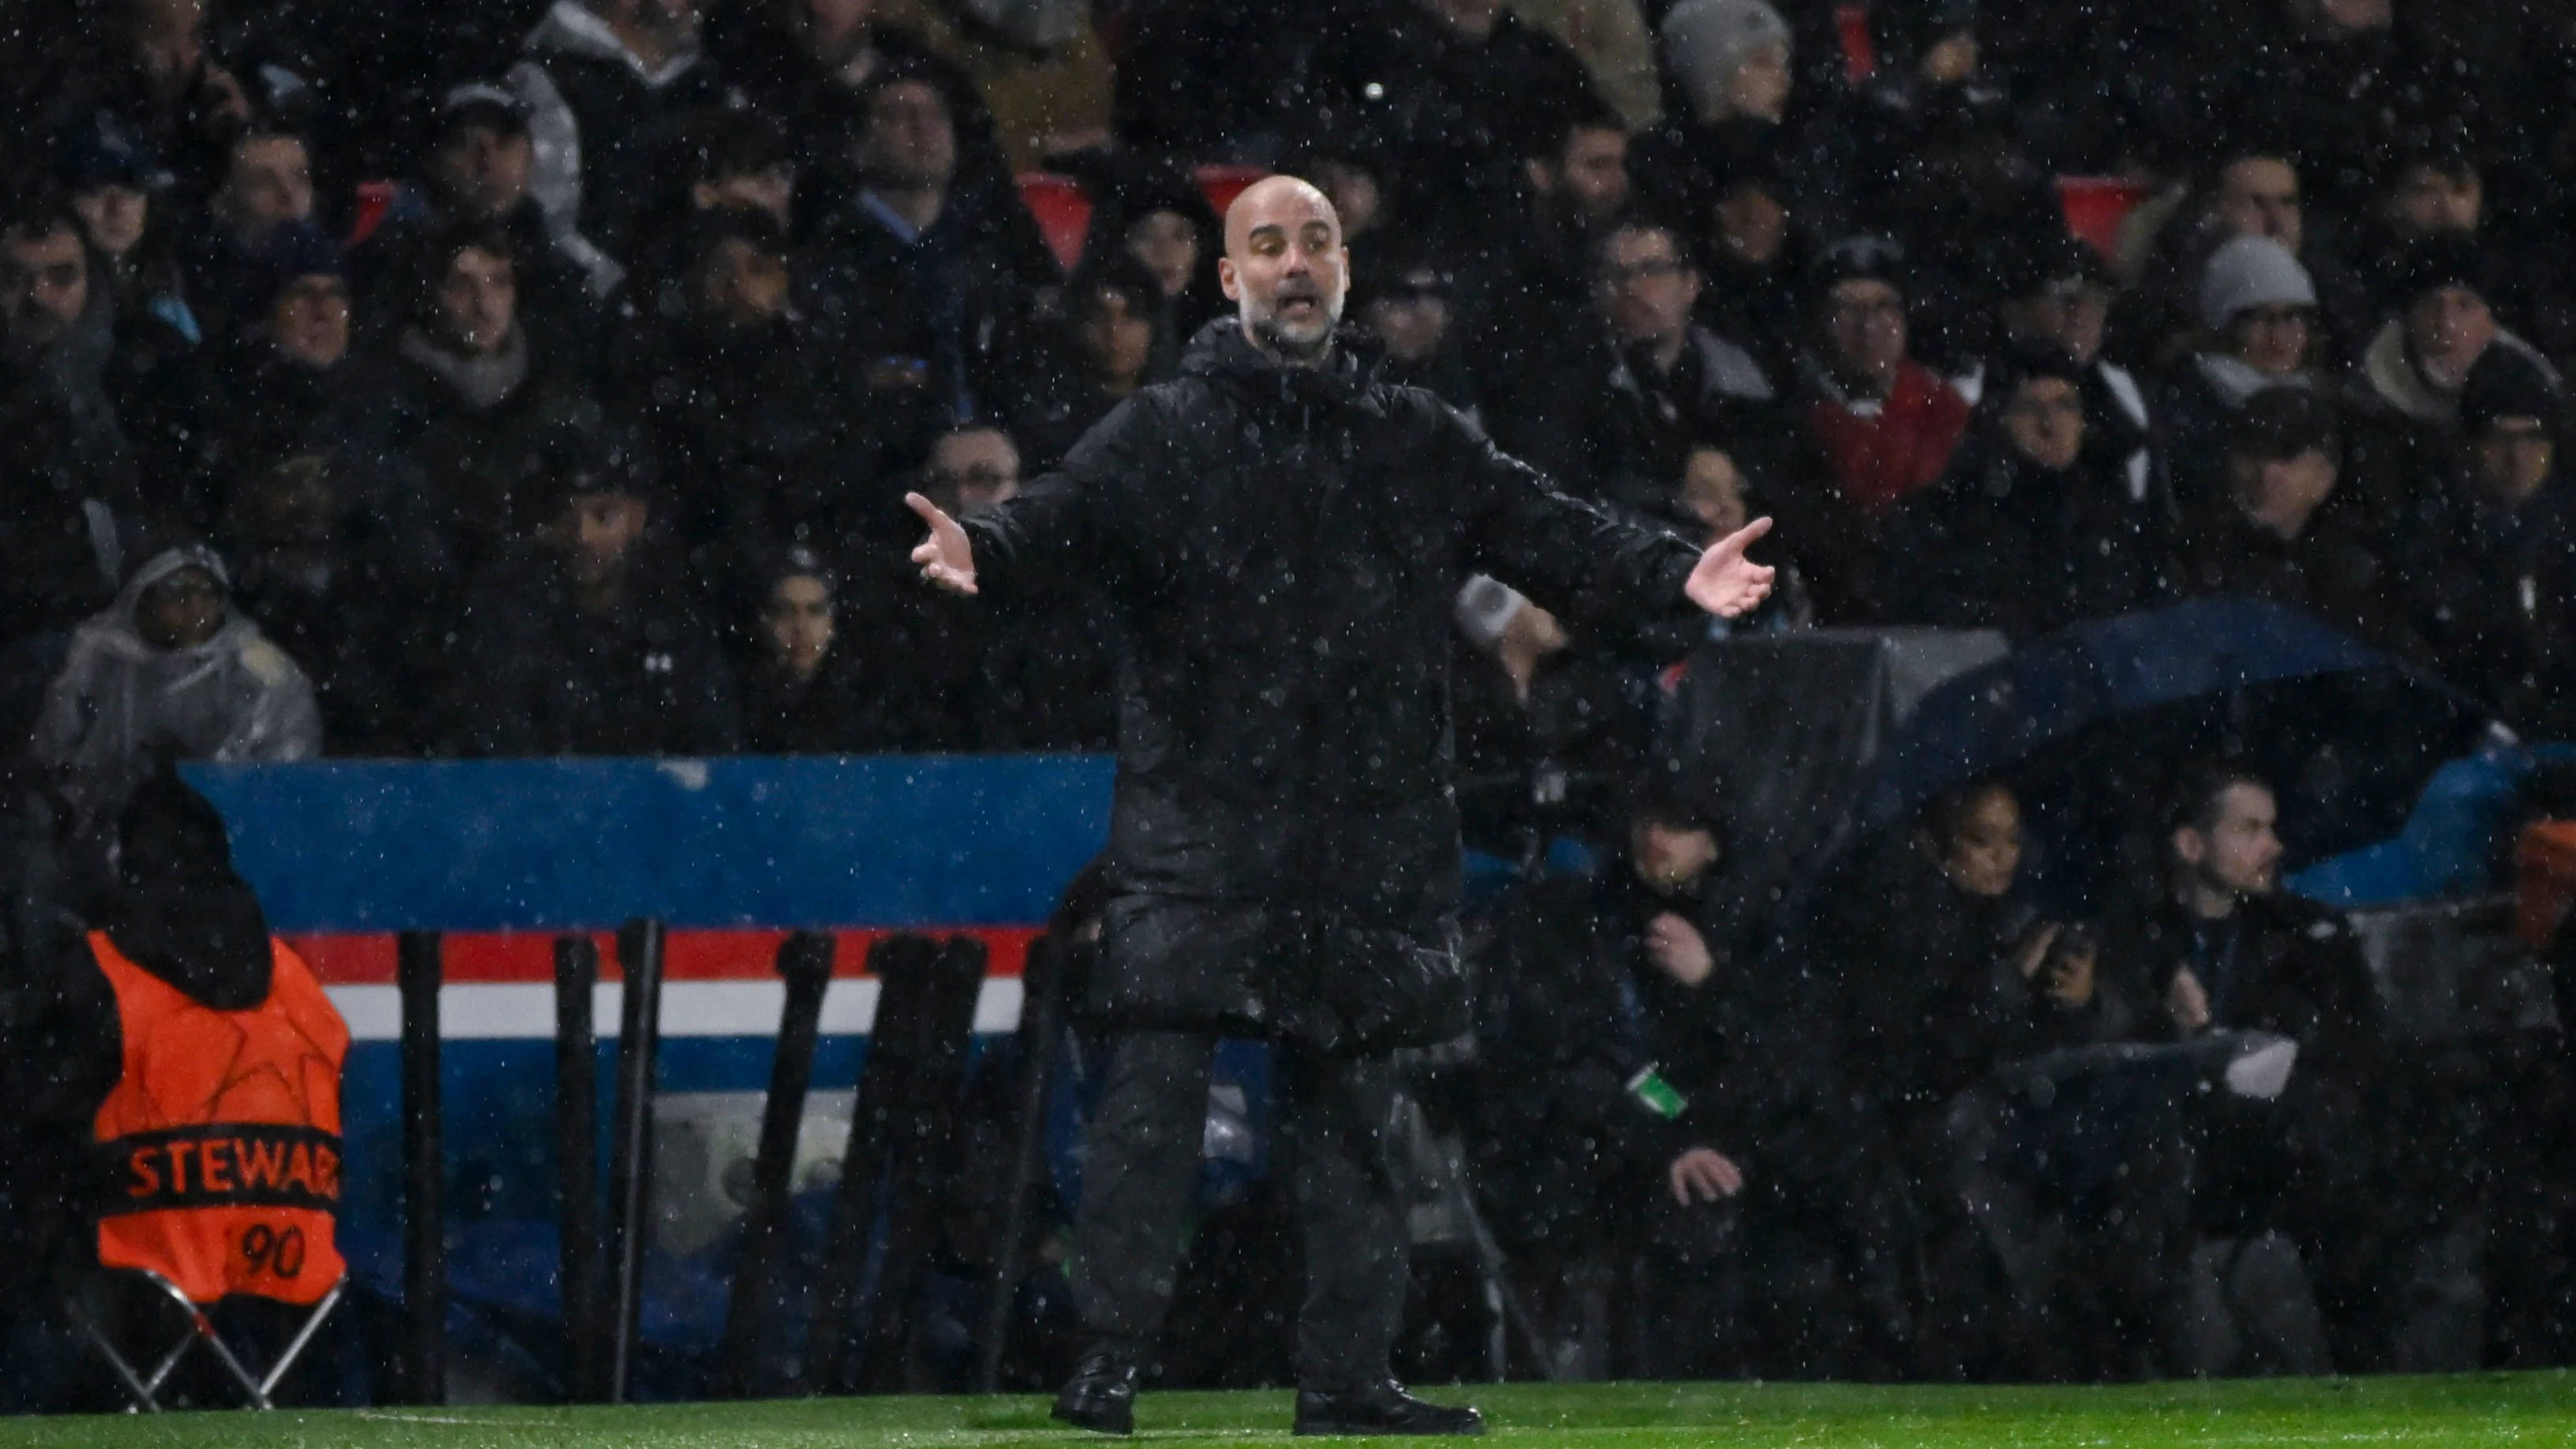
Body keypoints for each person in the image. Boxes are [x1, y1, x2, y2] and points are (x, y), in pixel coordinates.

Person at [903, 175, 1775, 1436]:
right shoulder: (1162, 431)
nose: (1296, 263)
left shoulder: (1415, 433)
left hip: (1365, 833)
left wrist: (1673, 570)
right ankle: (1107, 1363)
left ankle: (1347, 1377)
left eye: (1316, 241)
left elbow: (1550, 530)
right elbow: (1058, 519)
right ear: (1228, 278)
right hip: (1197, 830)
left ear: (1346, 271)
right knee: (1151, 1104)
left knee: (1358, 1115)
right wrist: (983, 549)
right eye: (1268, 244)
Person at [0, 770, 351, 1411]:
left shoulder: (100, 970)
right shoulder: (297, 979)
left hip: (144, 1264)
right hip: (288, 1270)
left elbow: (33, 1107)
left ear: (122, 864)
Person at [30, 541, 323, 861]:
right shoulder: (98, 661)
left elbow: (284, 774)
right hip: (102, 848)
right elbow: (58, 753)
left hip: (227, 848)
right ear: (139, 599)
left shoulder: (259, 672)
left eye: (208, 591)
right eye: (175, 590)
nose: (195, 604)